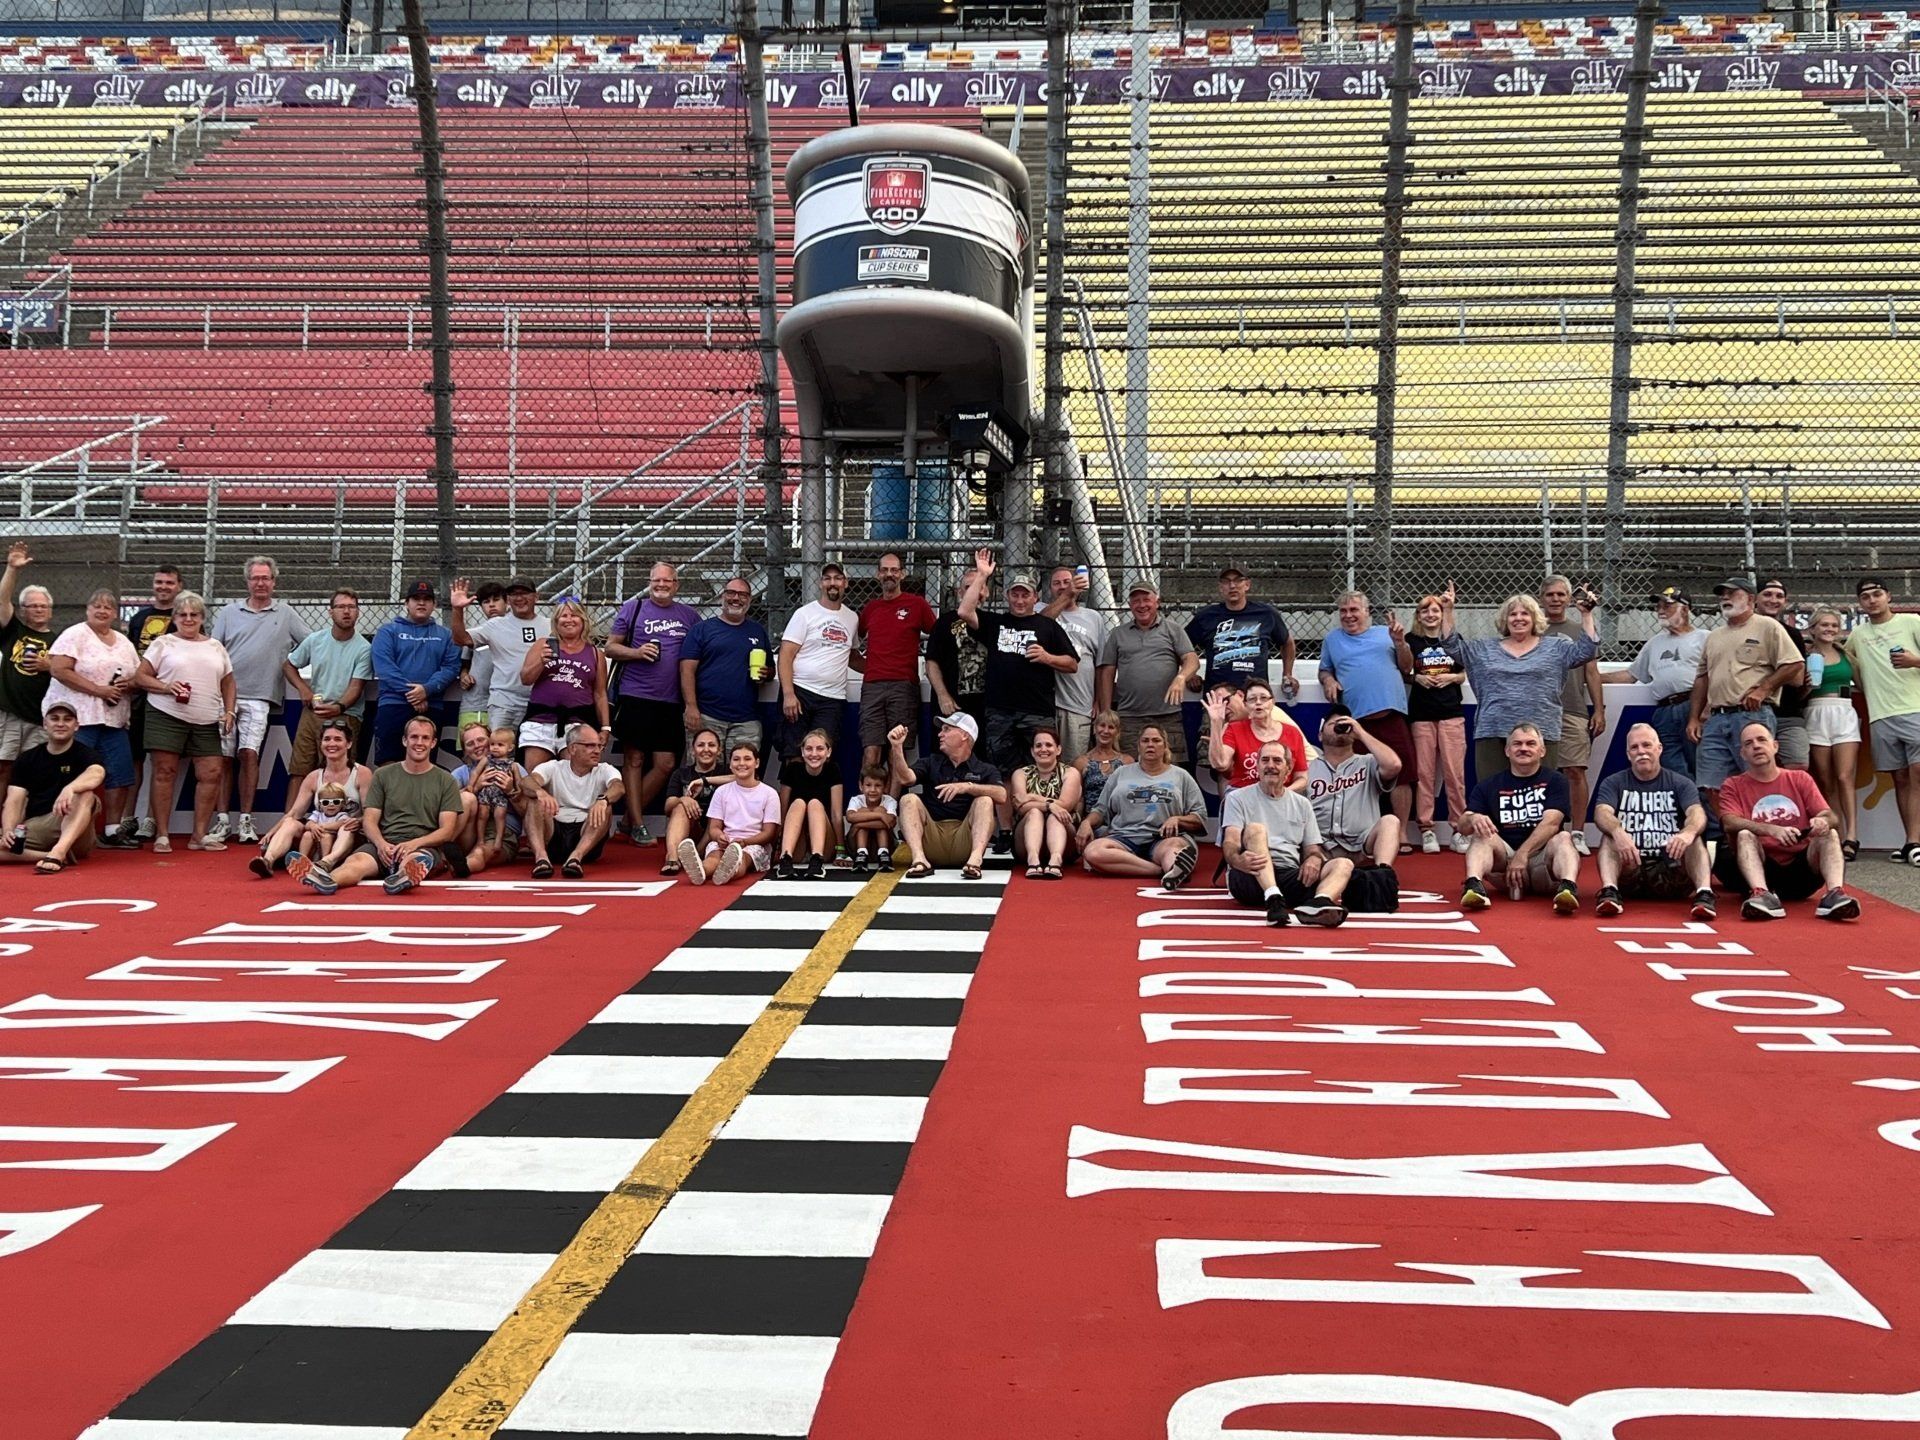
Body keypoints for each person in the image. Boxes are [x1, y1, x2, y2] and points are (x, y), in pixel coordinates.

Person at [1439, 582, 1599, 779]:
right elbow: (1451, 646)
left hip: (1542, 731)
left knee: (1540, 792)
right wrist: (1448, 610)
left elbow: (1586, 650)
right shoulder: (1482, 649)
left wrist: (1586, 614)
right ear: (1504, 620)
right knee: (1493, 792)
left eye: (1525, 614)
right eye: (1513, 614)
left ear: (1535, 618)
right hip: (1493, 731)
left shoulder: (1556, 647)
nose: (1518, 618)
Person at [299, 713, 466, 896]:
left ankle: (402, 877)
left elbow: (446, 830)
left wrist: (413, 844)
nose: (419, 742)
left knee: (414, 862)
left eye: (425, 738)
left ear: (433, 743)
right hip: (383, 845)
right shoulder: (383, 775)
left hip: (422, 847)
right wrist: (381, 845)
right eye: (414, 737)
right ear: (404, 740)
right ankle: (327, 880)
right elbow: (369, 820)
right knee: (355, 862)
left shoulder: (446, 780)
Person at [1686, 574, 1803, 829]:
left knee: (1759, 776)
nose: (1725, 598)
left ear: (1750, 599)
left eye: (1732, 593)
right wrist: (1694, 717)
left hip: (1753, 715)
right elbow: (1702, 678)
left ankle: (1762, 834)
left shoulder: (1768, 626)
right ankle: (1733, 835)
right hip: (1716, 717)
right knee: (1711, 784)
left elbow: (1794, 664)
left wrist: (1764, 689)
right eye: (1723, 594)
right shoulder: (1714, 636)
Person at [208, 555, 308, 845]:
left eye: (265, 578)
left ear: (274, 582)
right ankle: (222, 820)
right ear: (247, 581)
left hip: (261, 697)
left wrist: (298, 671)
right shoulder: (228, 612)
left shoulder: (286, 613)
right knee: (224, 758)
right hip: (225, 697)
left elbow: (312, 643)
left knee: (249, 754)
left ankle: (246, 820)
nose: (260, 583)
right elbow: (213, 651)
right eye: (255, 578)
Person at [1715, 720, 1859, 921]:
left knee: (1830, 833)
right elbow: (1729, 822)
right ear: (1743, 754)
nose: (1756, 746)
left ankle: (1835, 893)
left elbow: (1831, 816)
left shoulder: (1800, 778)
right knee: (1745, 834)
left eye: (1762, 740)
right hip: (1760, 867)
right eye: (1748, 743)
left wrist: (1821, 821)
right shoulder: (1732, 784)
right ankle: (1761, 894)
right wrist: (1771, 830)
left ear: (1775, 746)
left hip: (1802, 871)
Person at [959, 549, 1078, 790]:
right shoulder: (996, 622)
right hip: (1000, 710)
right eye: (1015, 594)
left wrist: (1047, 657)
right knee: (1002, 770)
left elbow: (1072, 663)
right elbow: (964, 611)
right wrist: (982, 575)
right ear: (1008, 596)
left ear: (1036, 597)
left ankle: (1038, 810)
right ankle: (1006, 816)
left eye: (1026, 595)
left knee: (1043, 767)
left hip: (1037, 710)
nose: (1020, 600)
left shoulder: (1047, 626)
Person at [604, 563, 702, 843]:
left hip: (671, 700)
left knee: (666, 764)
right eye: (656, 580)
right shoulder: (633, 608)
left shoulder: (689, 615)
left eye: (667, 581)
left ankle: (627, 820)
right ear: (649, 582)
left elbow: (699, 652)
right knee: (634, 759)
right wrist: (636, 652)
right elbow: (610, 647)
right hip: (636, 695)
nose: (661, 585)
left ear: (676, 584)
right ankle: (638, 824)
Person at [134, 591, 236, 854]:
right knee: (164, 772)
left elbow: (228, 682)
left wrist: (229, 712)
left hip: (207, 718)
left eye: (194, 614)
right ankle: (162, 834)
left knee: (212, 773)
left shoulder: (216, 646)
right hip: (165, 714)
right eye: (182, 614)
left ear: (202, 618)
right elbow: (141, 676)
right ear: (174, 617)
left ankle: (199, 835)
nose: (188, 619)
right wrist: (166, 687)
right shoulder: (163, 643)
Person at [1220, 740, 1356, 928]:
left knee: (1344, 864)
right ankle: (1273, 898)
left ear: (1288, 768)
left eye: (1277, 761)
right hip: (1249, 875)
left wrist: (1313, 860)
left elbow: (1313, 850)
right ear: (1257, 766)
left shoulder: (1302, 804)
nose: (1270, 766)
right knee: (1256, 829)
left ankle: (1318, 904)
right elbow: (1231, 841)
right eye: (1265, 760)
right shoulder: (1237, 798)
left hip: (1290, 875)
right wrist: (1237, 861)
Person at [43, 587, 140, 846]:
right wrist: (99, 690)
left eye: (108, 607)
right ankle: (59, 829)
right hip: (79, 719)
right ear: (87, 610)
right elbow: (59, 669)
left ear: (116, 613)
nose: (102, 611)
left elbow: (137, 676)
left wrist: (128, 685)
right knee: (70, 773)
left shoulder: (124, 642)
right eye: (97, 606)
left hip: (114, 719)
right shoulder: (74, 634)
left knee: (120, 773)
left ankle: (112, 830)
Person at [1591, 722, 1715, 919]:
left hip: (1672, 868)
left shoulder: (1681, 783)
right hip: (1630, 868)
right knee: (1609, 837)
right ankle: (1610, 891)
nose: (1641, 751)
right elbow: (1602, 812)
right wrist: (1618, 831)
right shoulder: (1613, 782)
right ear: (1628, 754)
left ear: (1659, 749)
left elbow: (1696, 812)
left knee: (1695, 839)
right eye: (1634, 747)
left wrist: (1688, 833)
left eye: (1647, 745)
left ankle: (1704, 894)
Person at [1456, 721, 1582, 914]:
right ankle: (1473, 886)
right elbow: (1462, 826)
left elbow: (1552, 823)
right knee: (1481, 835)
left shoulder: (1556, 781)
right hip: (1503, 866)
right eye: (1517, 744)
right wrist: (1473, 819)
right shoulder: (1488, 785)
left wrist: (1522, 855)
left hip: (1542, 864)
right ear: (1507, 751)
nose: (1523, 748)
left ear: (1542, 751)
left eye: (1530, 743)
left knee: (1564, 838)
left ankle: (1568, 888)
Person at [1317, 590, 1417, 828]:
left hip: (1391, 715)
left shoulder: (1386, 634)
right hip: (1356, 721)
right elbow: (1324, 669)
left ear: (1367, 612)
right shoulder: (1332, 639)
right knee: (1357, 778)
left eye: (1354, 610)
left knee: (1402, 775)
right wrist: (1328, 680)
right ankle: (1361, 831)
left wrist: (1400, 643)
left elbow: (1407, 667)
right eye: (1343, 611)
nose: (1348, 615)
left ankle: (1402, 832)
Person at [1077, 724, 1206, 888]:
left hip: (1163, 839)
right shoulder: (1121, 773)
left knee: (1174, 850)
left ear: (1165, 746)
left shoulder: (1181, 776)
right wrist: (1086, 823)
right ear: (1138, 746)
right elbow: (1101, 810)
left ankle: (1173, 867)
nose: (1150, 745)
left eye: (1156, 741)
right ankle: (1161, 871)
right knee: (1093, 852)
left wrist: (1178, 820)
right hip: (1123, 839)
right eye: (1145, 741)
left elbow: (1199, 817)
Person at [1846, 577, 1920, 863]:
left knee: (1917, 774)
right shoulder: (1858, 634)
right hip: (1880, 715)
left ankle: (1915, 842)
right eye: (1865, 596)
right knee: (1900, 779)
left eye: (1877, 594)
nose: (1872, 600)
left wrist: (1914, 661)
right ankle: (1910, 842)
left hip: (1915, 709)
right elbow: (1845, 663)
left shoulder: (1911, 622)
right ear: (1860, 603)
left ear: (1888, 596)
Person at [1600, 586, 1706, 777]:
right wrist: (1596, 677)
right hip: (1664, 710)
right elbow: (1631, 675)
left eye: (1667, 606)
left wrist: (1703, 712)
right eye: (1658, 606)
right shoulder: (1655, 643)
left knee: (1700, 764)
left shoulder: (1704, 638)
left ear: (1685, 609)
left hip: (1693, 705)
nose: (1660, 610)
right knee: (1674, 769)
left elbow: (1717, 676)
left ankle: (1701, 798)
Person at [1305, 706, 1402, 911]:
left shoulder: (1368, 761)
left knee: (1390, 821)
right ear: (1320, 734)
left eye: (1345, 724)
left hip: (1362, 846)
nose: (1340, 727)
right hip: (1322, 849)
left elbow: (1394, 765)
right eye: (1333, 724)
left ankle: (1381, 878)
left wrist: (1360, 732)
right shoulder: (1307, 767)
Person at [1096, 578, 1200, 766]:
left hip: (1168, 716)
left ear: (1157, 602)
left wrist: (1181, 677)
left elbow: (1192, 660)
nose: (1141, 605)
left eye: (1146, 599)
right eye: (1136, 601)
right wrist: (1106, 711)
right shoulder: (1118, 634)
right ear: (1130, 606)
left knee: (1171, 768)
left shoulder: (1173, 629)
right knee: (1130, 769)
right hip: (1129, 718)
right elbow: (1107, 672)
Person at [889, 713, 1004, 880]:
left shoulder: (985, 769)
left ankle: (975, 861)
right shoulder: (931, 762)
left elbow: (1002, 795)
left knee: (985, 800)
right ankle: (919, 859)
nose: (940, 734)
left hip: (964, 841)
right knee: (908, 799)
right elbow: (906, 779)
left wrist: (967, 787)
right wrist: (897, 747)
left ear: (964, 735)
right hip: (932, 838)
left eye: (947, 729)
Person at [1539, 576, 1606, 855]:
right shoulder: (1531, 629)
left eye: (1560, 594)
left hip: (1573, 709)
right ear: (1541, 598)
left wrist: (1599, 709)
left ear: (1569, 599)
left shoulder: (1581, 629)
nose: (1555, 599)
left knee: (1575, 771)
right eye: (1550, 594)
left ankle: (1577, 832)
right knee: (1538, 774)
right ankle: (1545, 834)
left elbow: (1592, 672)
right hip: (1537, 711)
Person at [257, 719, 372, 879]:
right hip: (318, 832)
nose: (331, 744)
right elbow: (294, 813)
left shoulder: (362, 773)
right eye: (327, 739)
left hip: (349, 833)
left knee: (346, 828)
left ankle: (327, 863)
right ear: (321, 744)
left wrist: (357, 821)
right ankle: (267, 861)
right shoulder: (313, 777)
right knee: (290, 823)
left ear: (349, 744)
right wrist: (272, 832)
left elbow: (370, 813)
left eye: (338, 739)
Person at [857, 552, 937, 776]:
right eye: (884, 570)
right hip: (872, 687)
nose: (889, 574)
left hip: (904, 686)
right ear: (878, 574)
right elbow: (854, 640)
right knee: (870, 752)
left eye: (894, 570)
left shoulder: (917, 604)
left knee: (897, 752)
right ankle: (868, 798)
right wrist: (870, 667)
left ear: (902, 574)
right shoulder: (871, 608)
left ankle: (893, 799)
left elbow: (938, 635)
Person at [2, 699, 103, 873]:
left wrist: (70, 788)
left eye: (67, 719)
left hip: (74, 827)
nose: (61, 724)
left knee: (86, 795)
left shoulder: (86, 754)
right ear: (45, 724)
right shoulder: (28, 758)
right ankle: (48, 855)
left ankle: (59, 851)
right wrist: (9, 830)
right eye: (55, 719)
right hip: (38, 826)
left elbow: (97, 773)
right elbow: (14, 799)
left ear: (76, 726)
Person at [283, 589, 373, 780]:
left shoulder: (365, 648)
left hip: (347, 715)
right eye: (341, 607)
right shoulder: (315, 640)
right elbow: (289, 666)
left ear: (358, 612)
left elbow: (356, 687)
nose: (346, 611)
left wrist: (338, 707)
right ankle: (295, 803)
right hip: (313, 712)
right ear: (330, 611)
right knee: (299, 771)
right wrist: (303, 689)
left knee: (340, 775)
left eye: (351, 607)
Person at [370, 579, 462, 765]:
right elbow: (385, 668)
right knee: (389, 764)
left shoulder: (446, 635)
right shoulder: (388, 631)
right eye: (416, 599)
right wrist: (414, 694)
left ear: (434, 605)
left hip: (431, 705)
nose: (421, 603)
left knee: (424, 764)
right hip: (393, 704)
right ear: (406, 603)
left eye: (427, 599)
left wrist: (427, 690)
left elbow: (451, 667)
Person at [1405, 592, 1469, 853]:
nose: (1431, 615)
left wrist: (1451, 678)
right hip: (1421, 715)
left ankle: (1459, 828)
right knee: (1424, 774)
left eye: (1435, 611)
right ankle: (1426, 828)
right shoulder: (1411, 641)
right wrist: (1416, 678)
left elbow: (1464, 672)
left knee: (1455, 774)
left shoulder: (1453, 639)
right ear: (1418, 616)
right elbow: (1402, 670)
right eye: (1425, 611)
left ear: (1442, 615)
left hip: (1451, 713)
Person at [680, 577, 773, 758]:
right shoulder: (702, 629)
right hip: (707, 716)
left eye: (742, 594)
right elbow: (686, 670)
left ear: (750, 599)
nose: (736, 598)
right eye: (731, 593)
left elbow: (771, 669)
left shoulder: (757, 631)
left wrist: (766, 673)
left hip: (747, 720)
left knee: (742, 771)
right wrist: (691, 707)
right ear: (723, 596)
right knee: (704, 770)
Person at [450, 576, 546, 741]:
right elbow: (461, 639)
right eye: (514, 594)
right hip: (504, 703)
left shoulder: (551, 625)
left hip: (541, 702)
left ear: (536, 596)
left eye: (524, 593)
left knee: (535, 753)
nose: (519, 598)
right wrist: (457, 609)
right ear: (508, 599)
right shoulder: (495, 625)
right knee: (500, 751)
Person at [124, 563, 181, 842]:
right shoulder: (139, 618)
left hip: (167, 700)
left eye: (169, 583)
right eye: (159, 582)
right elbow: (130, 656)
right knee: (134, 760)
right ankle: (127, 819)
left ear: (179, 586)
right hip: (138, 699)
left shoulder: (184, 617)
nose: (163, 587)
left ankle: (150, 819)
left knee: (161, 762)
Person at [524, 723, 624, 879]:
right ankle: (541, 859)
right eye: (590, 746)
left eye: (599, 746)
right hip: (553, 834)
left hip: (586, 835)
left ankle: (576, 858)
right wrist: (540, 792)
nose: (597, 751)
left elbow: (618, 787)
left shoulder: (605, 769)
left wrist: (603, 800)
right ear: (572, 749)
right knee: (534, 801)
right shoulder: (554, 767)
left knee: (606, 806)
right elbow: (526, 782)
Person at [520, 598, 609, 771]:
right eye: (564, 616)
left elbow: (600, 694)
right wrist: (541, 661)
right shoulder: (543, 645)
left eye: (574, 615)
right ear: (556, 621)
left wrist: (605, 727)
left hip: (577, 722)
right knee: (535, 777)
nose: (569, 620)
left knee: (575, 776)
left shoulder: (595, 653)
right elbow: (525, 679)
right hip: (541, 720)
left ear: (583, 620)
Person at [779, 563, 856, 761]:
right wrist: (788, 694)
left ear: (845, 583)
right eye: (827, 578)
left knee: (822, 757)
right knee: (794, 756)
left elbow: (851, 656)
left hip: (833, 698)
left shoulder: (852, 618)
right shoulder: (804, 614)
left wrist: (882, 666)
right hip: (801, 692)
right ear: (820, 583)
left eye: (838, 578)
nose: (832, 583)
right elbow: (786, 655)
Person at [1803, 606, 1862, 860]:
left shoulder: (1847, 654)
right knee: (1826, 781)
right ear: (1813, 628)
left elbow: (1862, 685)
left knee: (1845, 776)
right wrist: (1806, 686)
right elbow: (1799, 694)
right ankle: (1836, 834)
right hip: (1815, 712)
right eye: (1824, 625)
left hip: (1844, 711)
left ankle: (1852, 837)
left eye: (1834, 625)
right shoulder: (1805, 655)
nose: (1829, 629)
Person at [1187, 566, 1297, 700]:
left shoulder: (1266, 614)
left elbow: (1287, 643)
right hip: (1217, 697)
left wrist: (1287, 675)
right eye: (1226, 581)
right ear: (1220, 587)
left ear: (1247, 585)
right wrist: (1190, 674)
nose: (1232, 586)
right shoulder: (1206, 616)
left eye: (1238, 580)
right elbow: (1182, 647)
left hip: (1255, 697)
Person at [679, 740, 781, 885]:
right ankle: (701, 870)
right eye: (736, 759)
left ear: (757, 763)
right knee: (714, 856)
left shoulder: (769, 793)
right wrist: (719, 837)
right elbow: (714, 827)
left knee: (742, 859)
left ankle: (729, 872)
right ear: (731, 765)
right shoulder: (721, 792)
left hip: (754, 844)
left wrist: (744, 842)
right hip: (726, 841)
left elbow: (769, 833)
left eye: (747, 759)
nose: (741, 763)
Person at [0, 540, 56, 807]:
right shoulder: (13, 630)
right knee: (3, 767)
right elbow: (2, 600)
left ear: (51, 610)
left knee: (32, 773)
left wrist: (49, 666)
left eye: (43, 606)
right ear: (23, 610)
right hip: (9, 713)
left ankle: (24, 822)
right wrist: (12, 569)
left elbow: (68, 673)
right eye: (32, 606)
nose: (38, 609)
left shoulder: (61, 640)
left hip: (39, 718)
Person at [1041, 564, 1110, 761]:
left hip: (1079, 704)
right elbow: (1040, 625)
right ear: (1050, 588)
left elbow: (1101, 664)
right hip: (1047, 704)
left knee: (1074, 763)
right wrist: (1067, 595)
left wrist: (1098, 701)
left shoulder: (1093, 617)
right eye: (1057, 583)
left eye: (1067, 582)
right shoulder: (1042, 610)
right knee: (1045, 760)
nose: (1062, 587)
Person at [1206, 677, 1309, 791]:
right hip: (1243, 795)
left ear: (1272, 702)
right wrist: (1216, 723)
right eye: (1252, 699)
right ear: (1245, 704)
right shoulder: (1234, 729)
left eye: (1263, 698)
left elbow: (1302, 777)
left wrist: (1282, 794)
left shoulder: (1292, 732)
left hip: (1282, 795)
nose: (1258, 702)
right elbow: (1220, 763)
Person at [447, 720, 520, 876]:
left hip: (502, 831)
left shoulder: (513, 766)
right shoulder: (460, 773)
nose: (477, 746)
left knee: (480, 852)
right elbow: (444, 804)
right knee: (466, 797)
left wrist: (511, 791)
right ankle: (444, 847)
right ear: (465, 750)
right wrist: (476, 788)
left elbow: (527, 807)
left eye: (481, 740)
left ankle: (461, 867)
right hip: (470, 830)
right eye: (470, 744)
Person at [1756, 578, 1811, 771]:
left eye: (1779, 596)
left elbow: (1797, 679)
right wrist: (1783, 672)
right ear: (1755, 598)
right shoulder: (1743, 631)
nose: (1773, 600)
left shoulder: (1793, 634)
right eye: (1767, 594)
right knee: (1754, 766)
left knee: (1798, 766)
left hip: (1788, 713)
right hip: (1752, 712)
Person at [1013, 723, 1081, 879]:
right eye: (1038, 745)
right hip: (1025, 842)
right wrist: (1050, 805)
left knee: (1055, 816)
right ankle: (1033, 860)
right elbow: (1020, 806)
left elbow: (1065, 805)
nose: (1043, 749)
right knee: (1034, 812)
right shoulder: (1020, 774)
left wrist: (1033, 797)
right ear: (1032, 751)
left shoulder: (1070, 773)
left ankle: (1055, 860)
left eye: (1049, 745)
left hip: (1065, 841)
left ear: (1058, 749)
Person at [926, 566, 990, 728]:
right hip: (952, 705)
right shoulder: (943, 623)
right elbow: (932, 662)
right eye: (969, 587)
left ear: (987, 591)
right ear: (959, 592)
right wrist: (942, 695)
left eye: (979, 586)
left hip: (984, 707)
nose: (975, 592)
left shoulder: (994, 622)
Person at [776, 726, 843, 880]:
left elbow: (836, 815)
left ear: (828, 752)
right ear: (802, 751)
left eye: (820, 749)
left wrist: (841, 850)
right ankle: (785, 858)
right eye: (809, 749)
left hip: (824, 844)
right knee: (799, 803)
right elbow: (782, 812)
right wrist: (776, 846)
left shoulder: (833, 769)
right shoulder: (792, 769)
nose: (814, 754)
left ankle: (816, 860)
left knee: (814, 804)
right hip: (797, 845)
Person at [659, 728, 726, 876]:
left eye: (711, 745)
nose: (706, 749)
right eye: (701, 745)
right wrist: (684, 799)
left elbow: (743, 778)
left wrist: (705, 781)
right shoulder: (681, 773)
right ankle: (673, 858)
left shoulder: (726, 771)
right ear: (692, 750)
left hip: (717, 833)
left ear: (719, 750)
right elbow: (667, 806)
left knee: (717, 810)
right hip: (691, 830)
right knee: (679, 807)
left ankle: (698, 854)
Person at [467, 726, 527, 858]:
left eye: (500, 745)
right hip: (486, 793)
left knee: (500, 816)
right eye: (492, 744)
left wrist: (514, 791)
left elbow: (519, 782)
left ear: (510, 748)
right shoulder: (487, 760)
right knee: (482, 815)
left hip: (500, 795)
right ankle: (480, 840)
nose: (495, 748)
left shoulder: (513, 765)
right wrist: (472, 786)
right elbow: (475, 772)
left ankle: (498, 839)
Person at [457, 582, 505, 732]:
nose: (491, 605)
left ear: (507, 602)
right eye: (486, 602)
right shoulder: (474, 635)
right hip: (476, 705)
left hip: (506, 705)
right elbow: (465, 665)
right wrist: (464, 675)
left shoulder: (516, 633)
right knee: (473, 744)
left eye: (496, 600)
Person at [1073, 709, 1132, 824]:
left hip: (1120, 821)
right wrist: (1079, 824)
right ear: (1095, 728)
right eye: (1102, 726)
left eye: (1111, 727)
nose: (1106, 731)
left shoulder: (1127, 762)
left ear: (1117, 732)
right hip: (1092, 822)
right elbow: (1079, 799)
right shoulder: (1081, 762)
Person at [844, 764, 899, 873]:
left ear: (885, 787)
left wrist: (858, 824)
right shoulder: (856, 800)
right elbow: (850, 817)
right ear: (861, 786)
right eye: (868, 785)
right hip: (856, 846)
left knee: (880, 810)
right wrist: (879, 816)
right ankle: (861, 854)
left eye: (878, 785)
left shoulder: (889, 801)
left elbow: (890, 822)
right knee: (865, 811)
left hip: (885, 845)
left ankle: (884, 854)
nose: (873, 790)